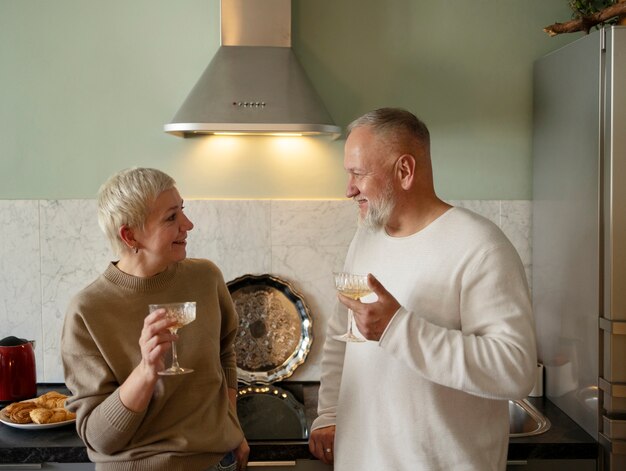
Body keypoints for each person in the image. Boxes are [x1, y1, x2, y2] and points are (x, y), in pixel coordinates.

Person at [309, 108, 537, 470]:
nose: (348, 189)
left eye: (358, 174)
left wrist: (397, 328)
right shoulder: (366, 237)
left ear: (404, 171)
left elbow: (514, 369)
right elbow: (343, 334)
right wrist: (330, 413)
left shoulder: (480, 246)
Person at [61, 167, 250, 471]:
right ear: (130, 234)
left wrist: (231, 423)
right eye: (171, 217)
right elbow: (98, 438)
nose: (188, 224)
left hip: (219, 463)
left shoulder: (206, 277)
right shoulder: (88, 310)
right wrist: (146, 372)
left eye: (182, 211)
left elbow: (224, 351)